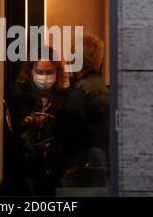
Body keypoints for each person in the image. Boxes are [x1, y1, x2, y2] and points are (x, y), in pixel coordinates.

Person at [44, 33, 109, 190]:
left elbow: (65, 133)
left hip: (80, 174)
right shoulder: (104, 89)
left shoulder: (79, 92)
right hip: (101, 172)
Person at [5, 46, 68, 196]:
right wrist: (26, 123)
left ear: (57, 72)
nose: (44, 76)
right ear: (31, 71)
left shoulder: (63, 96)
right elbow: (13, 130)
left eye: (49, 72)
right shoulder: (19, 93)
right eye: (39, 72)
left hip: (55, 168)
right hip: (25, 169)